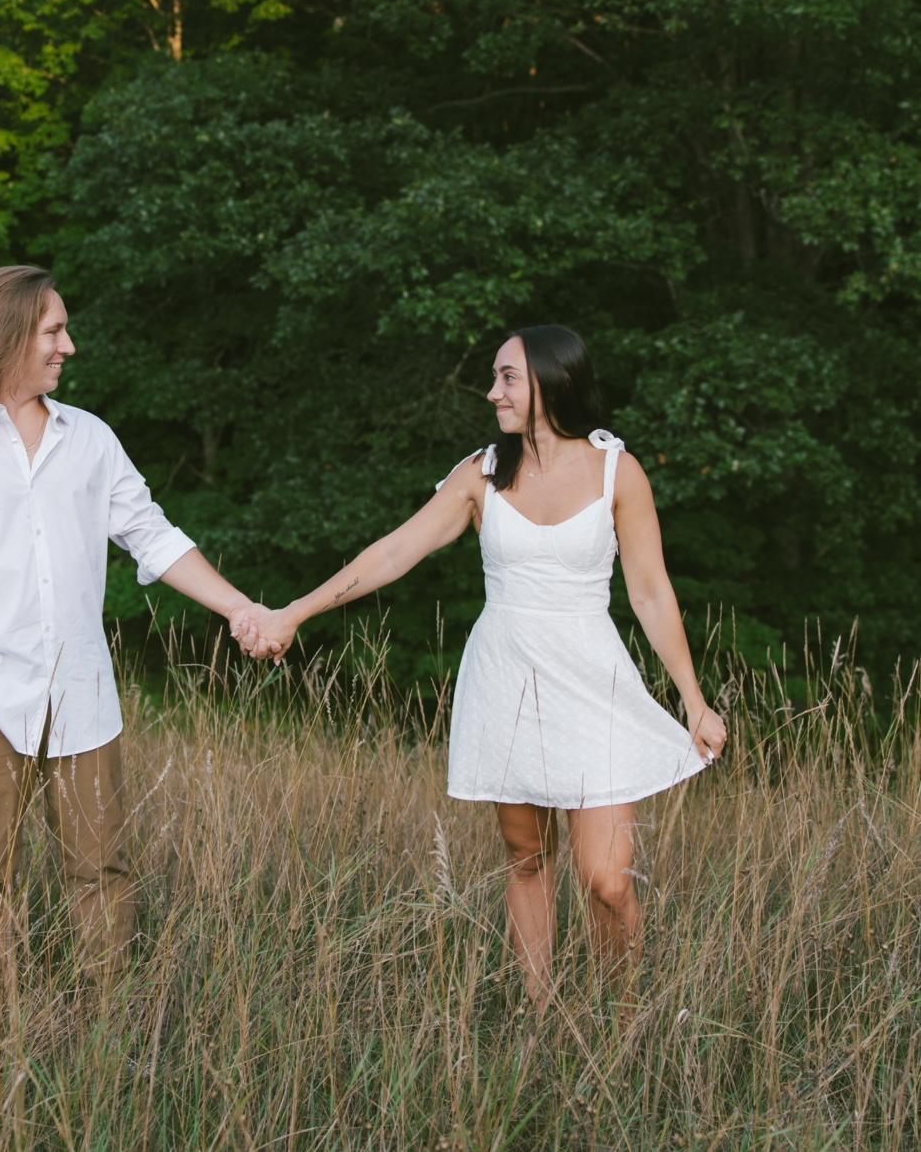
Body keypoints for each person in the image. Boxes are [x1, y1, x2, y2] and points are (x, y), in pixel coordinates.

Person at [238, 325, 726, 1007]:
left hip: (595, 684)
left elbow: (650, 593)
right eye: (495, 377)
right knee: (527, 859)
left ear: (554, 382)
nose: (493, 391)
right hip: (506, 679)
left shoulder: (620, 472)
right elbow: (394, 552)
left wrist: (693, 701)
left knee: (607, 879)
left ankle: (623, 1025)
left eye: (508, 378)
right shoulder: (483, 473)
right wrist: (294, 612)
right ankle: (540, 1016)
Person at [0, 265, 270, 988]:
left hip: (82, 693)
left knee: (101, 868)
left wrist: (239, 607)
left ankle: (106, 1028)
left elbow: (153, 537)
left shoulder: (89, 438)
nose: (68, 347)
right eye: (54, 331)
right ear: (7, 334)